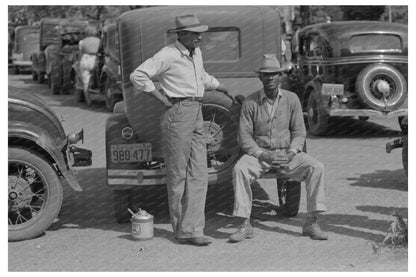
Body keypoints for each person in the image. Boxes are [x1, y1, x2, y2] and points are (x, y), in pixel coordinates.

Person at [130, 14, 230, 246]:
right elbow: (138, 75)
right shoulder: (168, 54)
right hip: (178, 112)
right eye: (195, 33)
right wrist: (157, 95)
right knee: (178, 174)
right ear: (181, 34)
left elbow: (202, 77)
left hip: (197, 110)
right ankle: (182, 230)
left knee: (199, 172)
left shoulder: (196, 53)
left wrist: (222, 88)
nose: (200, 37)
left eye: (200, 33)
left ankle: (194, 229)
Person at [228, 54, 328, 243]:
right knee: (239, 169)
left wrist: (291, 153)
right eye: (266, 75)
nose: (270, 78)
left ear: (280, 76)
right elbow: (244, 137)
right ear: (260, 78)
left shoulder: (292, 99)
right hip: (260, 153)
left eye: (274, 74)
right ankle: (244, 225)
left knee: (317, 167)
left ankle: (311, 223)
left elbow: (299, 132)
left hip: (286, 153)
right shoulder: (250, 102)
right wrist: (262, 154)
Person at [78, 26, 101, 98]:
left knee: (85, 81)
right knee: (95, 75)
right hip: (95, 60)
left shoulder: (82, 42)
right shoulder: (99, 41)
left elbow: (80, 54)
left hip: (85, 59)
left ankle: (87, 97)